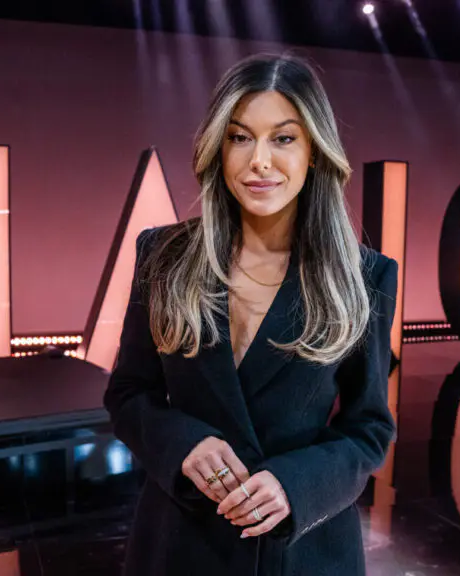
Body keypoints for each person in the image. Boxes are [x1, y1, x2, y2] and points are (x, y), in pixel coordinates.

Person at [103, 53, 398, 576]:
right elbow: (128, 394)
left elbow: (368, 428)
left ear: (314, 152)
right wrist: (183, 443)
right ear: (218, 149)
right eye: (240, 137)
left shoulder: (364, 275)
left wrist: (296, 483)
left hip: (302, 552)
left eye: (283, 138)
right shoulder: (164, 256)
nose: (259, 160)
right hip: (181, 545)